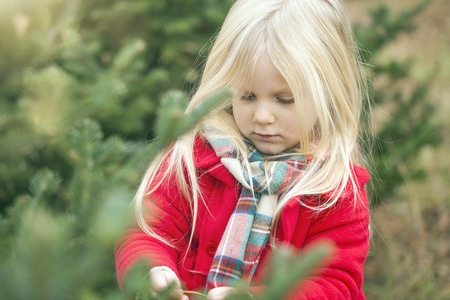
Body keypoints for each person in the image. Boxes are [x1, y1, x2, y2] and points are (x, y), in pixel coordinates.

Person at [115, 0, 371, 299]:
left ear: (327, 92)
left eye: (284, 99)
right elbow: (148, 231)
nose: (262, 116)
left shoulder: (335, 190)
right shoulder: (195, 157)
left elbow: (335, 284)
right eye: (247, 96)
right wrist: (151, 272)